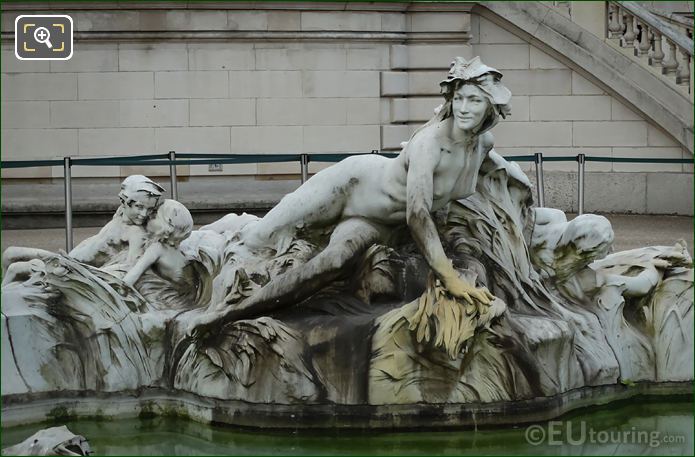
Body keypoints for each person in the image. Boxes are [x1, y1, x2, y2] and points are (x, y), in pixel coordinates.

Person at [188, 56, 512, 335]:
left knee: (331, 264)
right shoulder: (430, 144)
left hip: (378, 222)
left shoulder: (483, 144)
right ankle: (228, 230)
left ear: (490, 107)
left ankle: (231, 315)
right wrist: (449, 277)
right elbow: (418, 214)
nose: (465, 108)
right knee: (262, 234)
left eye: (474, 100)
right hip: (353, 184)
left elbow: (502, 176)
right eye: (460, 98)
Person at [1, 175, 164, 278]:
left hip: (72, 270)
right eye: (140, 207)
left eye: (149, 209)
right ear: (124, 202)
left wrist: (92, 274)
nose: (144, 214)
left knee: (15, 268)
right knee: (9, 253)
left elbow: (131, 266)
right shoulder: (121, 214)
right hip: (67, 259)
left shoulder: (135, 232)